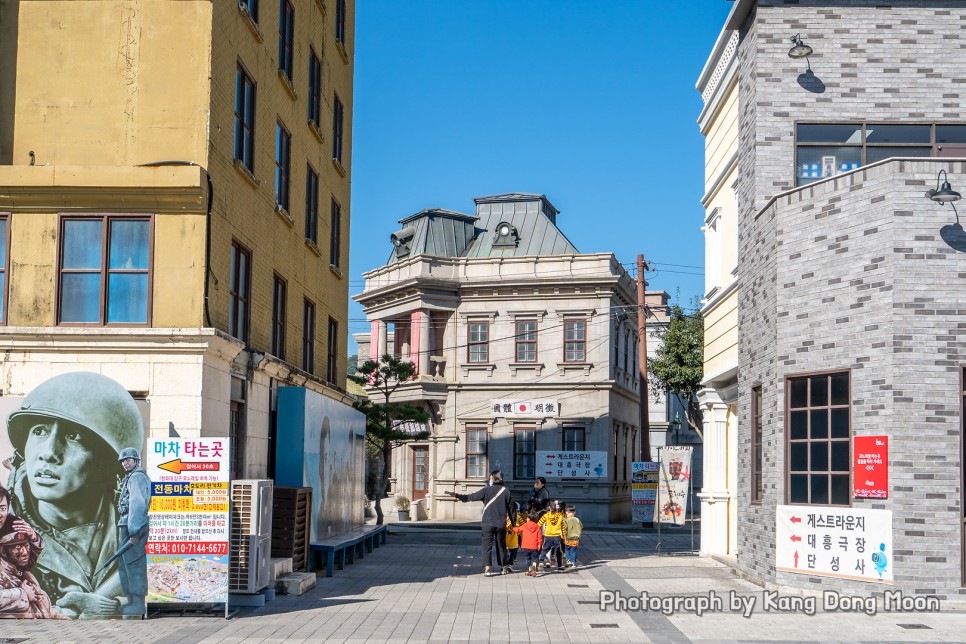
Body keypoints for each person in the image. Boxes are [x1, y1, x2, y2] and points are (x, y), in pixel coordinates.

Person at [4, 371, 144, 618]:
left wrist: (110, 608)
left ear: (108, 460)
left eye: (73, 436)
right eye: (39, 431)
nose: (49, 453)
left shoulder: (131, 528)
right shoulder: (7, 528)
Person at [446, 470, 513, 576]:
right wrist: (513, 525)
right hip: (501, 523)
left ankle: (487, 569)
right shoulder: (506, 492)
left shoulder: (486, 490)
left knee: (487, 546)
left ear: (492, 478)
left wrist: (456, 495)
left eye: (490, 477)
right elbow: (511, 510)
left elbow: (470, 497)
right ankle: (503, 567)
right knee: (501, 545)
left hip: (487, 523)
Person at [116, 447, 151, 617]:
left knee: (134, 564)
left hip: (133, 526)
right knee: (125, 565)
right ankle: (131, 602)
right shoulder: (131, 477)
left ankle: (137, 604)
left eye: (128, 459)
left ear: (136, 461)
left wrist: (134, 530)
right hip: (127, 524)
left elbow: (137, 503)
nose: (125, 463)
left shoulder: (137, 477)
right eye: (123, 460)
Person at [0, 523, 59, 618]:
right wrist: (24, 594)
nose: (24, 552)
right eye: (18, 547)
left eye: (26, 545)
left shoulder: (24, 573)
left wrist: (56, 616)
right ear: (4, 552)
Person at [511, 510, 543, 577]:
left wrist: (512, 528)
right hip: (534, 546)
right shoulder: (537, 526)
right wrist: (539, 544)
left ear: (528, 519)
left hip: (525, 546)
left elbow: (518, 529)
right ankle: (534, 566)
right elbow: (540, 536)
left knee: (527, 559)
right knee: (535, 558)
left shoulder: (525, 525)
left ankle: (529, 570)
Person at [538, 499, 567, 571]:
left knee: (545, 549)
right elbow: (563, 527)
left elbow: (539, 524)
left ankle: (541, 561)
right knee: (558, 551)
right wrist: (564, 537)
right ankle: (559, 566)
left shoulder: (546, 515)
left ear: (549, 508)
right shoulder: (560, 515)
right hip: (557, 536)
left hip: (548, 535)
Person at [504, 501, 524, 571]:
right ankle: (510, 564)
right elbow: (522, 525)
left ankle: (504, 565)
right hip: (514, 538)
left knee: (506, 552)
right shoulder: (517, 516)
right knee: (513, 551)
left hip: (505, 538)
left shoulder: (505, 516)